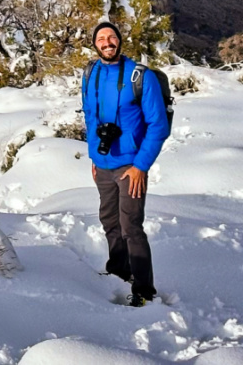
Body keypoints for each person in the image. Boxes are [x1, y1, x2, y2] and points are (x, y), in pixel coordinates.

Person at [82, 20, 170, 307]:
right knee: (109, 221)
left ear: (119, 41)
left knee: (130, 225)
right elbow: (90, 117)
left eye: (112, 37)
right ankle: (119, 273)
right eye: (101, 39)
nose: (107, 42)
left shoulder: (139, 76)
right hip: (103, 165)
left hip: (130, 166)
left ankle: (144, 291)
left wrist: (141, 166)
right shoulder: (90, 73)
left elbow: (158, 125)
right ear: (94, 44)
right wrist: (94, 156)